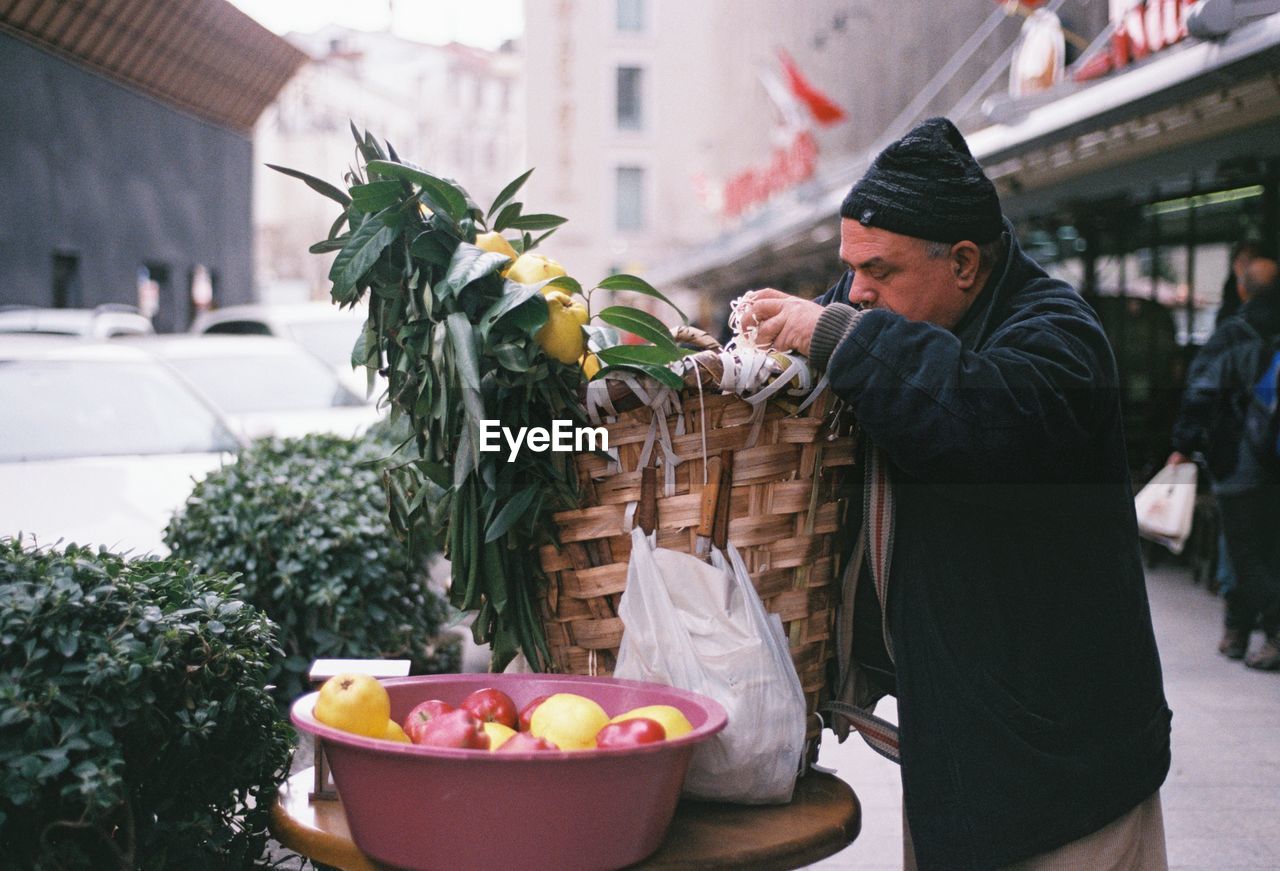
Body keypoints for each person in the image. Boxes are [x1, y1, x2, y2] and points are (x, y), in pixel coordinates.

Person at [746, 117, 1171, 870]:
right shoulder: (887, 306)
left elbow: (980, 424)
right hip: (961, 762)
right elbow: (827, 331)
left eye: (880, 270)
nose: (857, 290)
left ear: (966, 263)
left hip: (1068, 777)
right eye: (849, 270)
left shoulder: (1060, 335)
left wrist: (839, 334)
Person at [1168, 255, 1280, 670]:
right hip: (1274, 461)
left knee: (1244, 555)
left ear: (1242, 290)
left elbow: (1201, 392)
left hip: (1241, 461)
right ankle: (1236, 634)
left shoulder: (1234, 334)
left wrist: (1182, 444)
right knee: (1268, 551)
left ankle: (1269, 631)